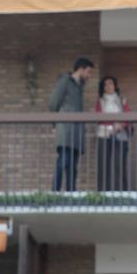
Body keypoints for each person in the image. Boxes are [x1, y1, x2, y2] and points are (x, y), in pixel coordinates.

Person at [49, 57, 93, 191]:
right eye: (89, 72)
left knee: (73, 166)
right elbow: (52, 104)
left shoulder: (80, 86)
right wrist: (54, 125)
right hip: (65, 129)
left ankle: (71, 194)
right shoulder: (65, 81)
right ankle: (55, 193)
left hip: (77, 132)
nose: (89, 76)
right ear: (81, 69)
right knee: (63, 160)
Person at [94, 75, 130, 192]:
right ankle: (103, 193)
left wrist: (121, 125)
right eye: (105, 84)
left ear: (115, 86)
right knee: (103, 165)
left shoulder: (122, 100)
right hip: (104, 135)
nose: (108, 86)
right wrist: (113, 125)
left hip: (120, 135)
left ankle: (122, 194)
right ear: (103, 88)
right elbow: (99, 117)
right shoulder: (100, 101)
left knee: (120, 165)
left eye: (111, 83)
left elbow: (128, 115)